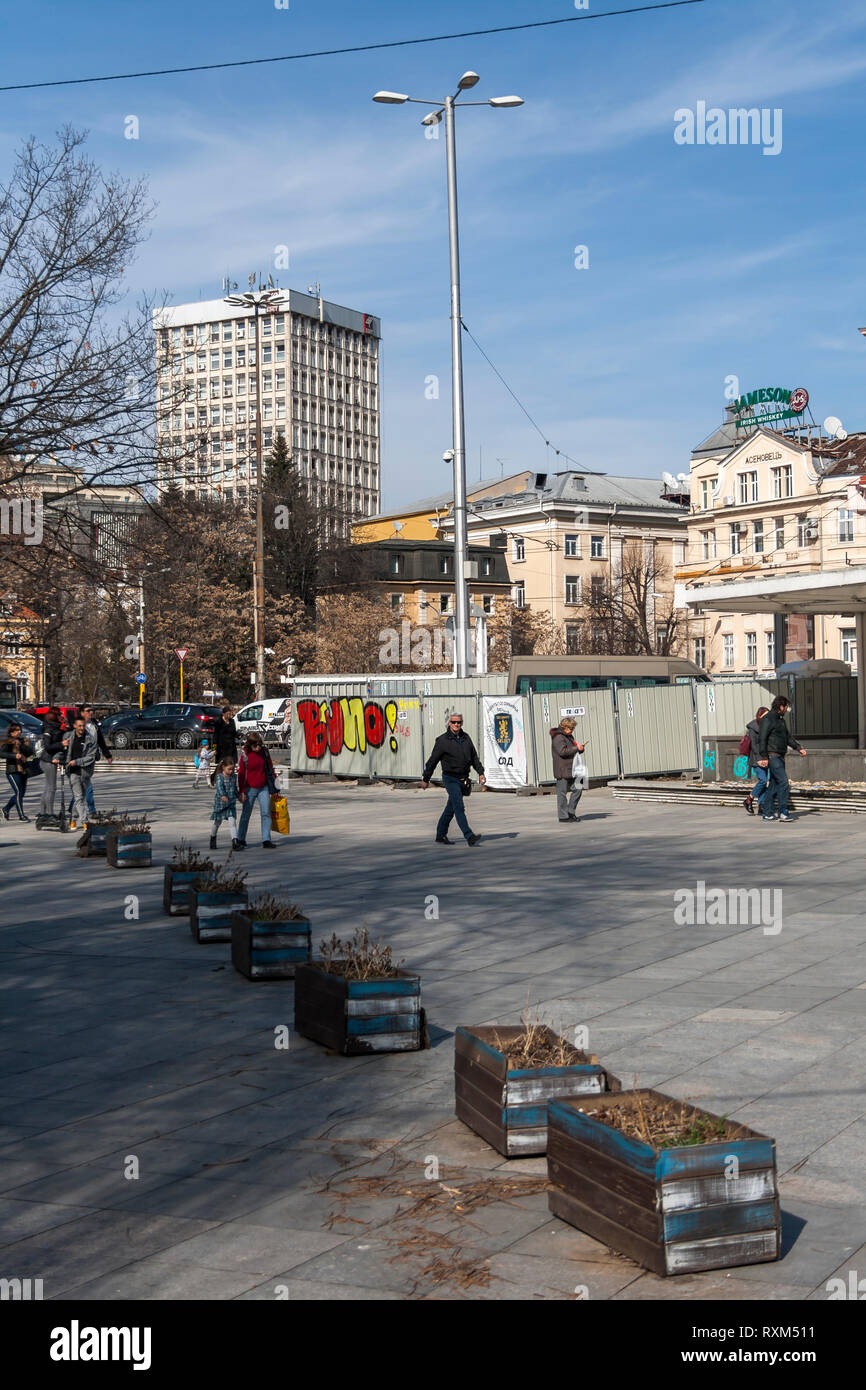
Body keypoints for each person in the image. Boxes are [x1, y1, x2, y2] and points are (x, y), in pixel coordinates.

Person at [421, 712, 486, 845]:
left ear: (462, 723)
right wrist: (426, 779)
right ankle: (469, 836)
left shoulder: (466, 738)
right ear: (449, 723)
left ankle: (440, 834)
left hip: (463, 779)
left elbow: (474, 757)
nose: (456, 724)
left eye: (459, 722)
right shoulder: (442, 741)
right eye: (454, 722)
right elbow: (432, 761)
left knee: (451, 808)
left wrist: (480, 772)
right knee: (459, 806)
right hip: (450, 778)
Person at [755, 694, 806, 823]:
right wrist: (764, 756)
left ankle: (767, 813)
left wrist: (798, 748)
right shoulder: (768, 719)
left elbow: (787, 737)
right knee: (783, 782)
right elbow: (762, 739)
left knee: (774, 784)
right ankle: (783, 811)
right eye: (786, 707)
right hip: (772, 756)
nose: (787, 709)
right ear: (781, 706)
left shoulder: (780, 720)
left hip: (779, 756)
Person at [65, 705, 112, 817]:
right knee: (86, 787)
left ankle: (73, 809)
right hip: (77, 762)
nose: (91, 712)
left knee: (81, 789)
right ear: (81, 713)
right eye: (88, 711)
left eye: (92, 710)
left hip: (89, 760)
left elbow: (100, 741)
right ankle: (91, 811)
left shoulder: (94, 726)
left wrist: (107, 755)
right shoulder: (76, 727)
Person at [236, 731, 278, 849]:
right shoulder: (245, 754)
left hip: (263, 787)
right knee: (246, 814)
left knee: (266, 813)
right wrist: (242, 791)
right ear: (249, 745)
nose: (258, 747)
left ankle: (266, 839)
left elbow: (270, 767)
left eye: (259, 745)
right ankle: (241, 838)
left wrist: (276, 783)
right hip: (249, 788)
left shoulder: (264, 752)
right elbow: (241, 774)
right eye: (255, 745)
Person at [57, 714, 98, 829]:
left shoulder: (90, 739)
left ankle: (73, 819)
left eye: (83, 726)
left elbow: (91, 757)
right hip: (73, 771)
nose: (81, 728)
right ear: (74, 726)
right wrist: (59, 759)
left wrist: (77, 761)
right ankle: (85, 821)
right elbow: (62, 751)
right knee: (79, 797)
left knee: (80, 797)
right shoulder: (68, 736)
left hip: (85, 771)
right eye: (79, 726)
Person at [550, 716, 587, 823]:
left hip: (573, 768)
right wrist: (576, 748)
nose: (572, 730)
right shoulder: (558, 737)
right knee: (562, 793)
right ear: (564, 727)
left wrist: (580, 749)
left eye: (572, 728)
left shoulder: (569, 736)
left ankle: (570, 812)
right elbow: (562, 751)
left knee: (578, 788)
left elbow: (572, 750)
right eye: (570, 728)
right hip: (562, 769)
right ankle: (563, 816)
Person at [2, 722, 36, 821]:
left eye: (20, 730)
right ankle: (21, 815)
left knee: (21, 793)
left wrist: (21, 746)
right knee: (18, 792)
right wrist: (14, 755)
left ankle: (6, 809)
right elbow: (2, 753)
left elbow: (30, 753)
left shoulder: (23, 741)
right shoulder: (8, 742)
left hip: (23, 770)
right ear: (11, 732)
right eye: (16, 730)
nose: (19, 732)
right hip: (12, 770)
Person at [37, 706, 67, 818]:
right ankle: (49, 813)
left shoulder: (54, 727)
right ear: (54, 716)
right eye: (59, 715)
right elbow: (48, 747)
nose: (61, 716)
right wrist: (61, 744)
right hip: (48, 760)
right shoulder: (49, 729)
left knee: (48, 787)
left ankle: (43, 812)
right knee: (52, 788)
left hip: (50, 760)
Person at [743, 705, 770, 817]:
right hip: (756, 759)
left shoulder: (767, 727)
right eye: (765, 715)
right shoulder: (753, 728)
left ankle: (761, 806)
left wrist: (767, 758)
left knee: (764, 783)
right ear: (760, 716)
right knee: (763, 781)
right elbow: (754, 746)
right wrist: (759, 759)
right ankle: (749, 799)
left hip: (765, 758)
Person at [210, 756, 239, 850]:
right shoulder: (220, 777)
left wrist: (239, 797)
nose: (231, 771)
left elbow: (235, 789)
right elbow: (219, 787)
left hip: (230, 804)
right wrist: (223, 795)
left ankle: (235, 842)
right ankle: (213, 838)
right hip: (221, 804)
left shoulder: (234, 777)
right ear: (223, 767)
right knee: (217, 822)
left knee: (232, 822)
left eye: (233, 769)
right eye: (229, 769)